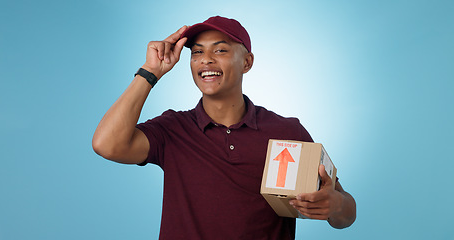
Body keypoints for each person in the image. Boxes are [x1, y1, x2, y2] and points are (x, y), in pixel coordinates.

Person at [92, 16, 356, 239]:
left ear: (247, 62)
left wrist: (335, 206)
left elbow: (346, 212)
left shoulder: (288, 131)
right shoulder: (173, 129)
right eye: (197, 52)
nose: (205, 59)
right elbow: (106, 144)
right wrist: (150, 71)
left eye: (220, 50)